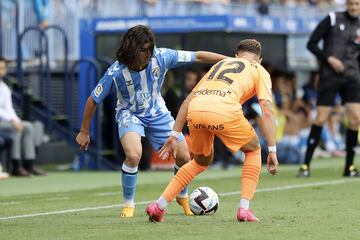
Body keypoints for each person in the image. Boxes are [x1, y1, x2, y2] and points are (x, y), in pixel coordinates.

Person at [75, 25, 227, 218]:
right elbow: (92, 100)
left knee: (184, 156)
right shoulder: (116, 71)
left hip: (157, 112)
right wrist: (84, 131)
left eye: (150, 49)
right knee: (133, 154)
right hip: (129, 113)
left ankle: (182, 194)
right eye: (143, 50)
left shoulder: (162, 57)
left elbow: (198, 56)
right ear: (131, 48)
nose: (148, 54)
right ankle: (128, 205)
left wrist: (230, 61)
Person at [146, 39, 279, 223]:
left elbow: (187, 100)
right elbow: (267, 109)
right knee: (253, 149)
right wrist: (272, 150)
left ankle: (158, 205)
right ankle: (244, 209)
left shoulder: (220, 64)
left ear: (236, 56)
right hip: (223, 111)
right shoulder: (259, 70)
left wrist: (174, 134)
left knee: (200, 162)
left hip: (196, 111)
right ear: (260, 60)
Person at [297, 0, 360, 177]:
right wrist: (329, 59)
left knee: (355, 119)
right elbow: (312, 43)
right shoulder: (332, 18)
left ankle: (349, 167)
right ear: (346, 4)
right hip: (330, 77)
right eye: (351, 4)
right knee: (321, 118)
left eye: (357, 4)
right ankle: (305, 166)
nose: (354, 7)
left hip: (352, 78)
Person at [0, 57, 46, 177]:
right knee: (19, 128)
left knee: (31, 127)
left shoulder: (4, 87)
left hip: (5, 123)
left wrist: (17, 121)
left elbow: (9, 109)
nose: (1, 70)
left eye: (3, 68)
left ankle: (29, 164)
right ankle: (16, 167)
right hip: (2, 123)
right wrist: (12, 121)